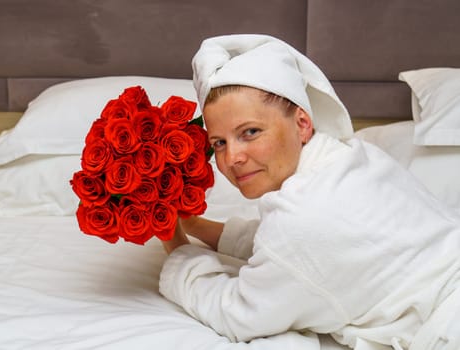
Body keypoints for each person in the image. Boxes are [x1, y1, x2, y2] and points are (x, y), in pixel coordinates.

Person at [158, 34, 460, 350]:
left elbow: (238, 313)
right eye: (219, 143)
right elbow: (286, 248)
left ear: (302, 123)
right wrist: (193, 225)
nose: (232, 157)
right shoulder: (352, 157)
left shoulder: (300, 222)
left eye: (250, 132)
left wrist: (173, 243)